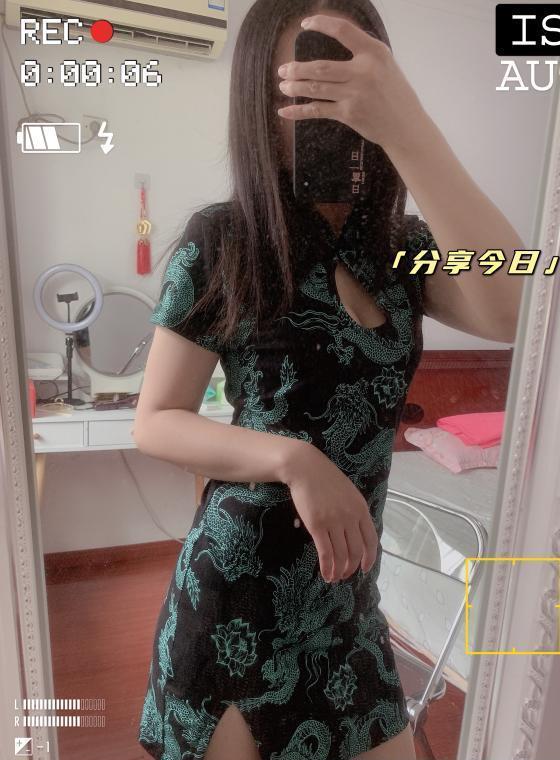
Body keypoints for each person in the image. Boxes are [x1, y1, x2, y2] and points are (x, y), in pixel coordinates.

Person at [135, 2, 523, 759]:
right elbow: (155, 420)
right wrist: (294, 459)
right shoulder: (224, 241)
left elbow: (515, 305)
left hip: (348, 611)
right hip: (239, 609)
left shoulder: (402, 250)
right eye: (303, 89)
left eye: (348, 84)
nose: (329, 111)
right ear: (262, 102)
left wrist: (410, 129)